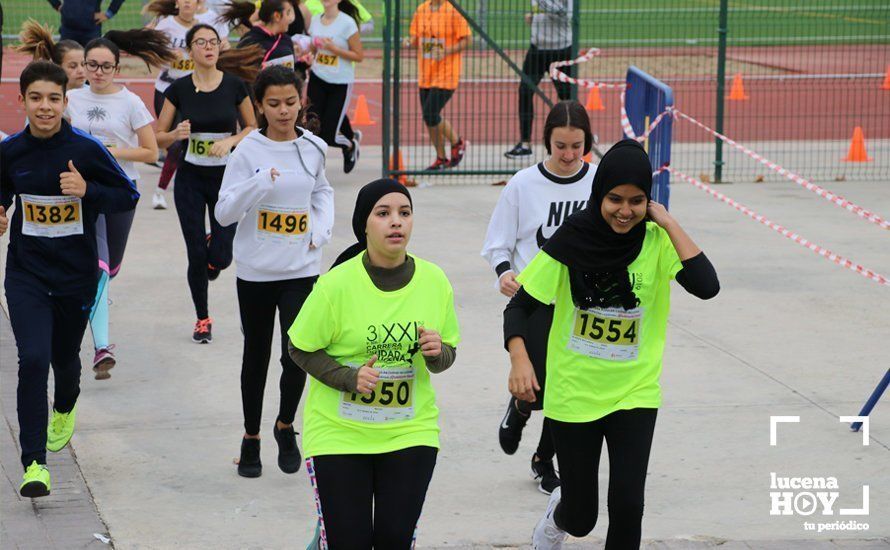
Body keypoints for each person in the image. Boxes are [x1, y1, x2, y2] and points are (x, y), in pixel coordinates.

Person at [503, 140, 720, 549]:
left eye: (637, 201)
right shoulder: (572, 241)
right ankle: (558, 514)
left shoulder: (657, 242)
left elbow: (707, 286)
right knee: (582, 518)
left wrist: (668, 222)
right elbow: (519, 307)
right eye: (615, 199)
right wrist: (519, 358)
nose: (625, 211)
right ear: (599, 195)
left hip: (634, 393)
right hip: (575, 393)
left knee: (628, 505)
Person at [288, 179, 460, 548]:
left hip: (409, 430)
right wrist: (349, 378)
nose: (396, 222)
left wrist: (436, 352)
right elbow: (299, 347)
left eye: (404, 213)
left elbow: (447, 355)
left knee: (394, 540)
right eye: (383, 214)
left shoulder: (434, 280)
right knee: (350, 541)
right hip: (340, 433)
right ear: (364, 224)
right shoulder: (336, 285)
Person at [1, 61, 139, 497]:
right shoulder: (10, 152)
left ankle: (65, 405)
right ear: (21, 100)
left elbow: (127, 195)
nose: (45, 107)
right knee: (33, 359)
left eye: (54, 98)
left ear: (66, 101)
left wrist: (88, 192)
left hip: (75, 276)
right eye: (36, 98)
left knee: (64, 360)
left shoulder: (87, 149)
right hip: (26, 272)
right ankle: (34, 463)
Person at [215, 65, 334, 478]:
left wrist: (320, 229)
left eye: (290, 102)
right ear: (260, 106)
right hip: (256, 272)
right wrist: (258, 183)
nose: (284, 111)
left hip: (301, 268)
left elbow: (322, 192)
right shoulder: (248, 151)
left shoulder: (315, 147)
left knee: (295, 353)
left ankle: (285, 425)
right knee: (257, 354)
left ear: (301, 101)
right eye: (274, 104)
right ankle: (251, 438)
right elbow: (225, 211)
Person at [482, 100, 595, 494]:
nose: (567, 155)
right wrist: (504, 272)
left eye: (576, 146)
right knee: (539, 384)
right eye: (560, 145)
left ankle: (544, 459)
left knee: (571, 387)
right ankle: (520, 407)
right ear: (546, 141)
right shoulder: (523, 184)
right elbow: (498, 242)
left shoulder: (599, 182)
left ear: (587, 143)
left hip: (583, 304)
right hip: (535, 300)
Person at [66, 31, 171, 378]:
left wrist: (110, 152)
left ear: (117, 67)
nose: (97, 72)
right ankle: (101, 347)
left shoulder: (130, 103)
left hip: (120, 191)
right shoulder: (70, 99)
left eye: (105, 66)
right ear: (83, 67)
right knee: (97, 266)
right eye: (91, 65)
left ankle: (96, 307)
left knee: (108, 270)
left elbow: (150, 151)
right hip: (81, 192)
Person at [155, 23, 259, 343]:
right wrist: (175, 135)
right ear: (190, 51)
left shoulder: (234, 86)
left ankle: (216, 244)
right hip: (189, 179)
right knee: (196, 254)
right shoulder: (179, 89)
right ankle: (202, 318)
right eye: (201, 42)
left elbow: (253, 127)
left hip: (227, 178)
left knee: (222, 257)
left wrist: (231, 141)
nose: (208, 47)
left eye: (213, 42)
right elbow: (158, 138)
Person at [505, 0, 574, 159]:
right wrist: (534, 17)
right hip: (537, 49)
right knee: (525, 91)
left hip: (561, 49)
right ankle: (525, 143)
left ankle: (575, 139)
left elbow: (563, 13)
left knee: (567, 97)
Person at [406, 0, 471, 171]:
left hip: (447, 73)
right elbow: (415, 36)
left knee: (430, 113)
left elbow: (466, 40)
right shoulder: (422, 9)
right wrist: (410, 41)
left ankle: (458, 142)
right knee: (429, 120)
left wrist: (446, 51)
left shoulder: (453, 11)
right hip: (426, 73)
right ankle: (441, 158)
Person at [305, 0, 364, 174]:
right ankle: (312, 169)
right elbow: (314, 48)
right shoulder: (316, 20)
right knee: (312, 126)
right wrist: (312, 52)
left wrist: (333, 48)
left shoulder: (347, 23)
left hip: (340, 82)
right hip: (317, 78)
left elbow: (359, 55)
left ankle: (350, 145)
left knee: (329, 135)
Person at [222, 0, 297, 70]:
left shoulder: (286, 40)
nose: (290, 19)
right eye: (288, 13)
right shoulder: (250, 40)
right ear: (277, 16)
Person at [16, 20, 88, 90]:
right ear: (57, 67)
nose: (81, 70)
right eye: (73, 66)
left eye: (83, 64)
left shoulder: (95, 94)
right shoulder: (46, 96)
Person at [45, 0, 128, 46]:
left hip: (91, 30)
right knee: (65, 62)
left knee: (91, 62)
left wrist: (109, 13)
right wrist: (57, 5)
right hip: (68, 29)